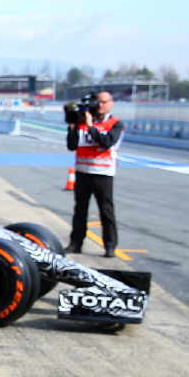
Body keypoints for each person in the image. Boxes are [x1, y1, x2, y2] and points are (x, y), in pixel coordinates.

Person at [66, 90, 123, 256]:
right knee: (80, 210)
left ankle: (110, 246)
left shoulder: (115, 123)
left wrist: (91, 126)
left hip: (103, 173)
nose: (100, 105)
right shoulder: (83, 121)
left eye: (104, 102)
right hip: (83, 172)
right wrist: (72, 126)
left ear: (111, 103)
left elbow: (106, 142)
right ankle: (75, 243)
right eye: (98, 102)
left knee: (106, 211)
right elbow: (71, 145)